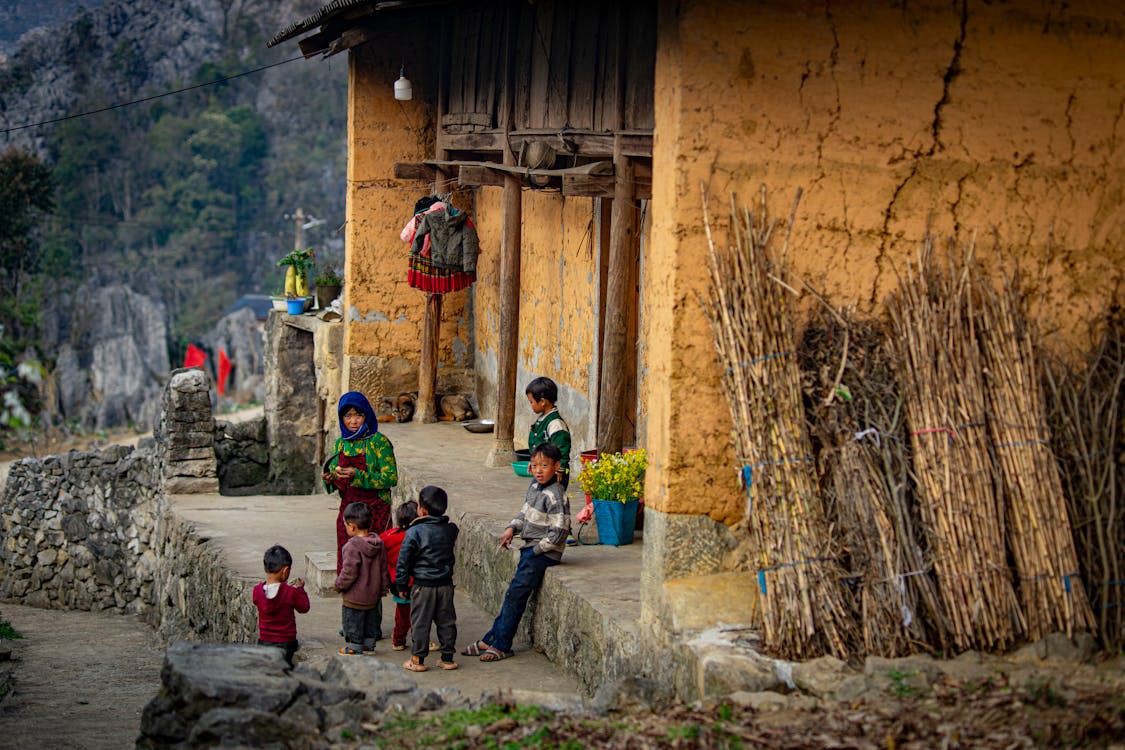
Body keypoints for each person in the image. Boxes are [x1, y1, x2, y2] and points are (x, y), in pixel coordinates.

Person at [462, 443, 570, 662]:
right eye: (535, 465)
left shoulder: (556, 495)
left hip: (543, 553)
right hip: (531, 548)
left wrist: (537, 551)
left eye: (545, 465)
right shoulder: (534, 487)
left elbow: (559, 531)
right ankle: (491, 637)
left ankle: (502, 644)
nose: (539, 470)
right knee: (512, 594)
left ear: (557, 466)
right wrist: (512, 528)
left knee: (516, 595)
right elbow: (525, 513)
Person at [323, 391, 398, 574]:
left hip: (376, 509)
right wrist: (331, 478)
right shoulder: (341, 444)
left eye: (358, 415)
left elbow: (391, 478)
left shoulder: (379, 442)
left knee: (371, 559)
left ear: (367, 415)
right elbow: (335, 475)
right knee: (348, 553)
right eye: (348, 416)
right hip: (349, 509)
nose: (353, 421)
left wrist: (358, 475)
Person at [395, 486, 459, 672]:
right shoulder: (450, 530)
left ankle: (418, 660)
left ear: (421, 510)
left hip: (423, 586)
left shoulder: (414, 532)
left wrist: (401, 584)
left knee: (421, 623)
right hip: (445, 584)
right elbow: (450, 528)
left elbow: (403, 562)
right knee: (447, 621)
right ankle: (447, 659)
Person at [333, 502, 391, 655]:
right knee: (369, 621)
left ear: (352, 526)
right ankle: (369, 645)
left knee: (352, 620)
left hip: (355, 596)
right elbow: (383, 568)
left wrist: (339, 585)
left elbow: (349, 572)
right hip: (373, 595)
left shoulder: (351, 546)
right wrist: (383, 588)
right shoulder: (378, 544)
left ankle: (355, 646)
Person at [252, 545, 310, 666]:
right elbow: (304, 607)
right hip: (287, 643)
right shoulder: (290, 592)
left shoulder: (257, 591)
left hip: (265, 642)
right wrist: (300, 589)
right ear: (285, 571)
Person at [380, 500, 418, 651]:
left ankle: (398, 640)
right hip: (414, 582)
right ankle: (419, 639)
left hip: (396, 582)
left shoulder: (388, 536)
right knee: (418, 614)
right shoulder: (417, 536)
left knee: (401, 614)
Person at [525, 376, 572, 489]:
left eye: (531, 402)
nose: (530, 405)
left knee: (552, 499)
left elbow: (563, 448)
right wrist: (534, 463)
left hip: (554, 473)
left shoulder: (555, 424)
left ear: (542, 402)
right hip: (544, 471)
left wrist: (560, 470)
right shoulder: (543, 419)